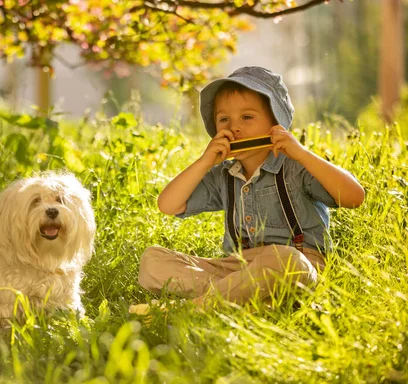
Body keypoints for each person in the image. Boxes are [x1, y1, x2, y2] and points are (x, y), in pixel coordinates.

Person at [137, 66, 365, 307]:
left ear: (276, 124)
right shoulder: (223, 176)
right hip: (239, 269)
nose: (234, 127)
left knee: (288, 261)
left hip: (296, 265)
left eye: (247, 117)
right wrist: (204, 162)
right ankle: (242, 300)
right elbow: (168, 205)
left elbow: (354, 197)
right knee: (152, 261)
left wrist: (303, 154)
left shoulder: (296, 167)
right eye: (224, 119)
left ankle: (193, 308)